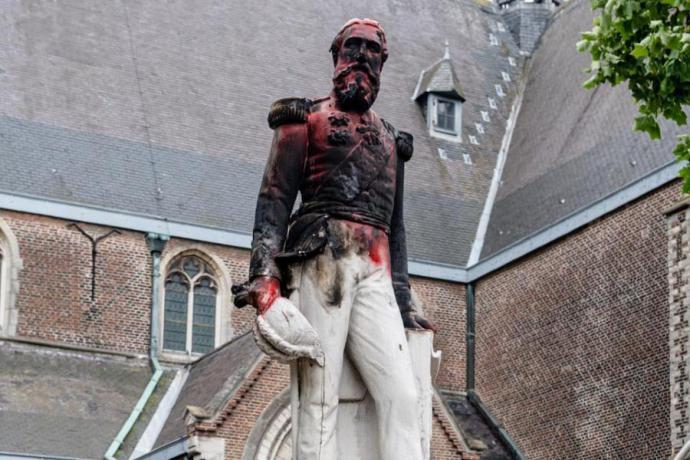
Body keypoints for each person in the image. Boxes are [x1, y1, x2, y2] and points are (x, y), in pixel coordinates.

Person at [246, 18, 434, 460]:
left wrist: (405, 301)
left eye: (373, 52)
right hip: (321, 259)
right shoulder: (302, 120)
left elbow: (397, 226)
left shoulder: (392, 142)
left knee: (403, 396)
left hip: (375, 270)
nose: (363, 58)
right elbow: (274, 199)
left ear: (382, 66)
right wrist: (264, 277)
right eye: (355, 47)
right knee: (319, 396)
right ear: (336, 56)